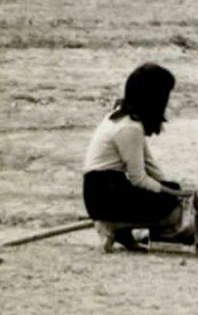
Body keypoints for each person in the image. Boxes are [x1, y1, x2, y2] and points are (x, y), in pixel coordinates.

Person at [82, 62, 188, 253]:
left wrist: (172, 187)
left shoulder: (124, 117)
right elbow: (139, 178)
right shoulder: (130, 127)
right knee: (171, 210)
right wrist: (171, 195)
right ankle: (114, 225)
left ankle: (122, 230)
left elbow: (149, 163)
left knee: (171, 193)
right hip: (105, 191)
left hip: (102, 188)